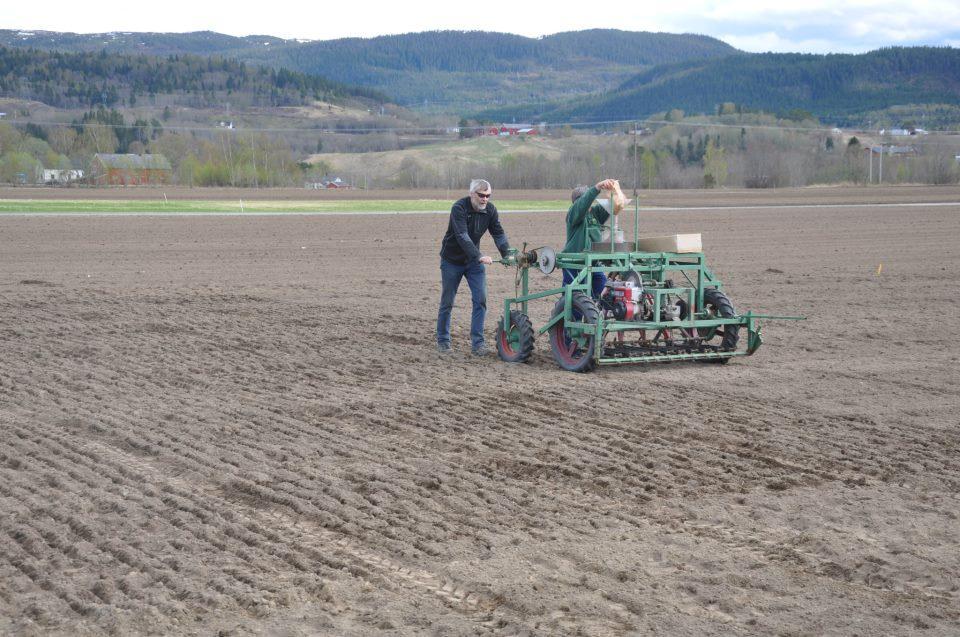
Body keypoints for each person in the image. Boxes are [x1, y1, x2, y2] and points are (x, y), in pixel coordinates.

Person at [436, 179, 511, 355]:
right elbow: (462, 236)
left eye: (488, 196)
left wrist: (508, 255)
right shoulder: (459, 208)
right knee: (447, 301)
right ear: (472, 194)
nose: (485, 199)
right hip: (452, 261)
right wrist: (479, 256)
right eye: (481, 195)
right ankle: (443, 341)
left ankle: (478, 344)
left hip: (473, 263)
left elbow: (498, 233)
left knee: (481, 299)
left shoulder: (490, 210)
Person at [561, 178, 619, 298]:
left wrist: (613, 191)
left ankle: (600, 315)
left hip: (593, 262)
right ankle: (572, 317)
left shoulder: (594, 213)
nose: (588, 204)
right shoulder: (573, 213)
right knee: (575, 299)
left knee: (604, 295)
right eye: (586, 201)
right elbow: (582, 205)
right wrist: (597, 187)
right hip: (574, 263)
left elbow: (612, 206)